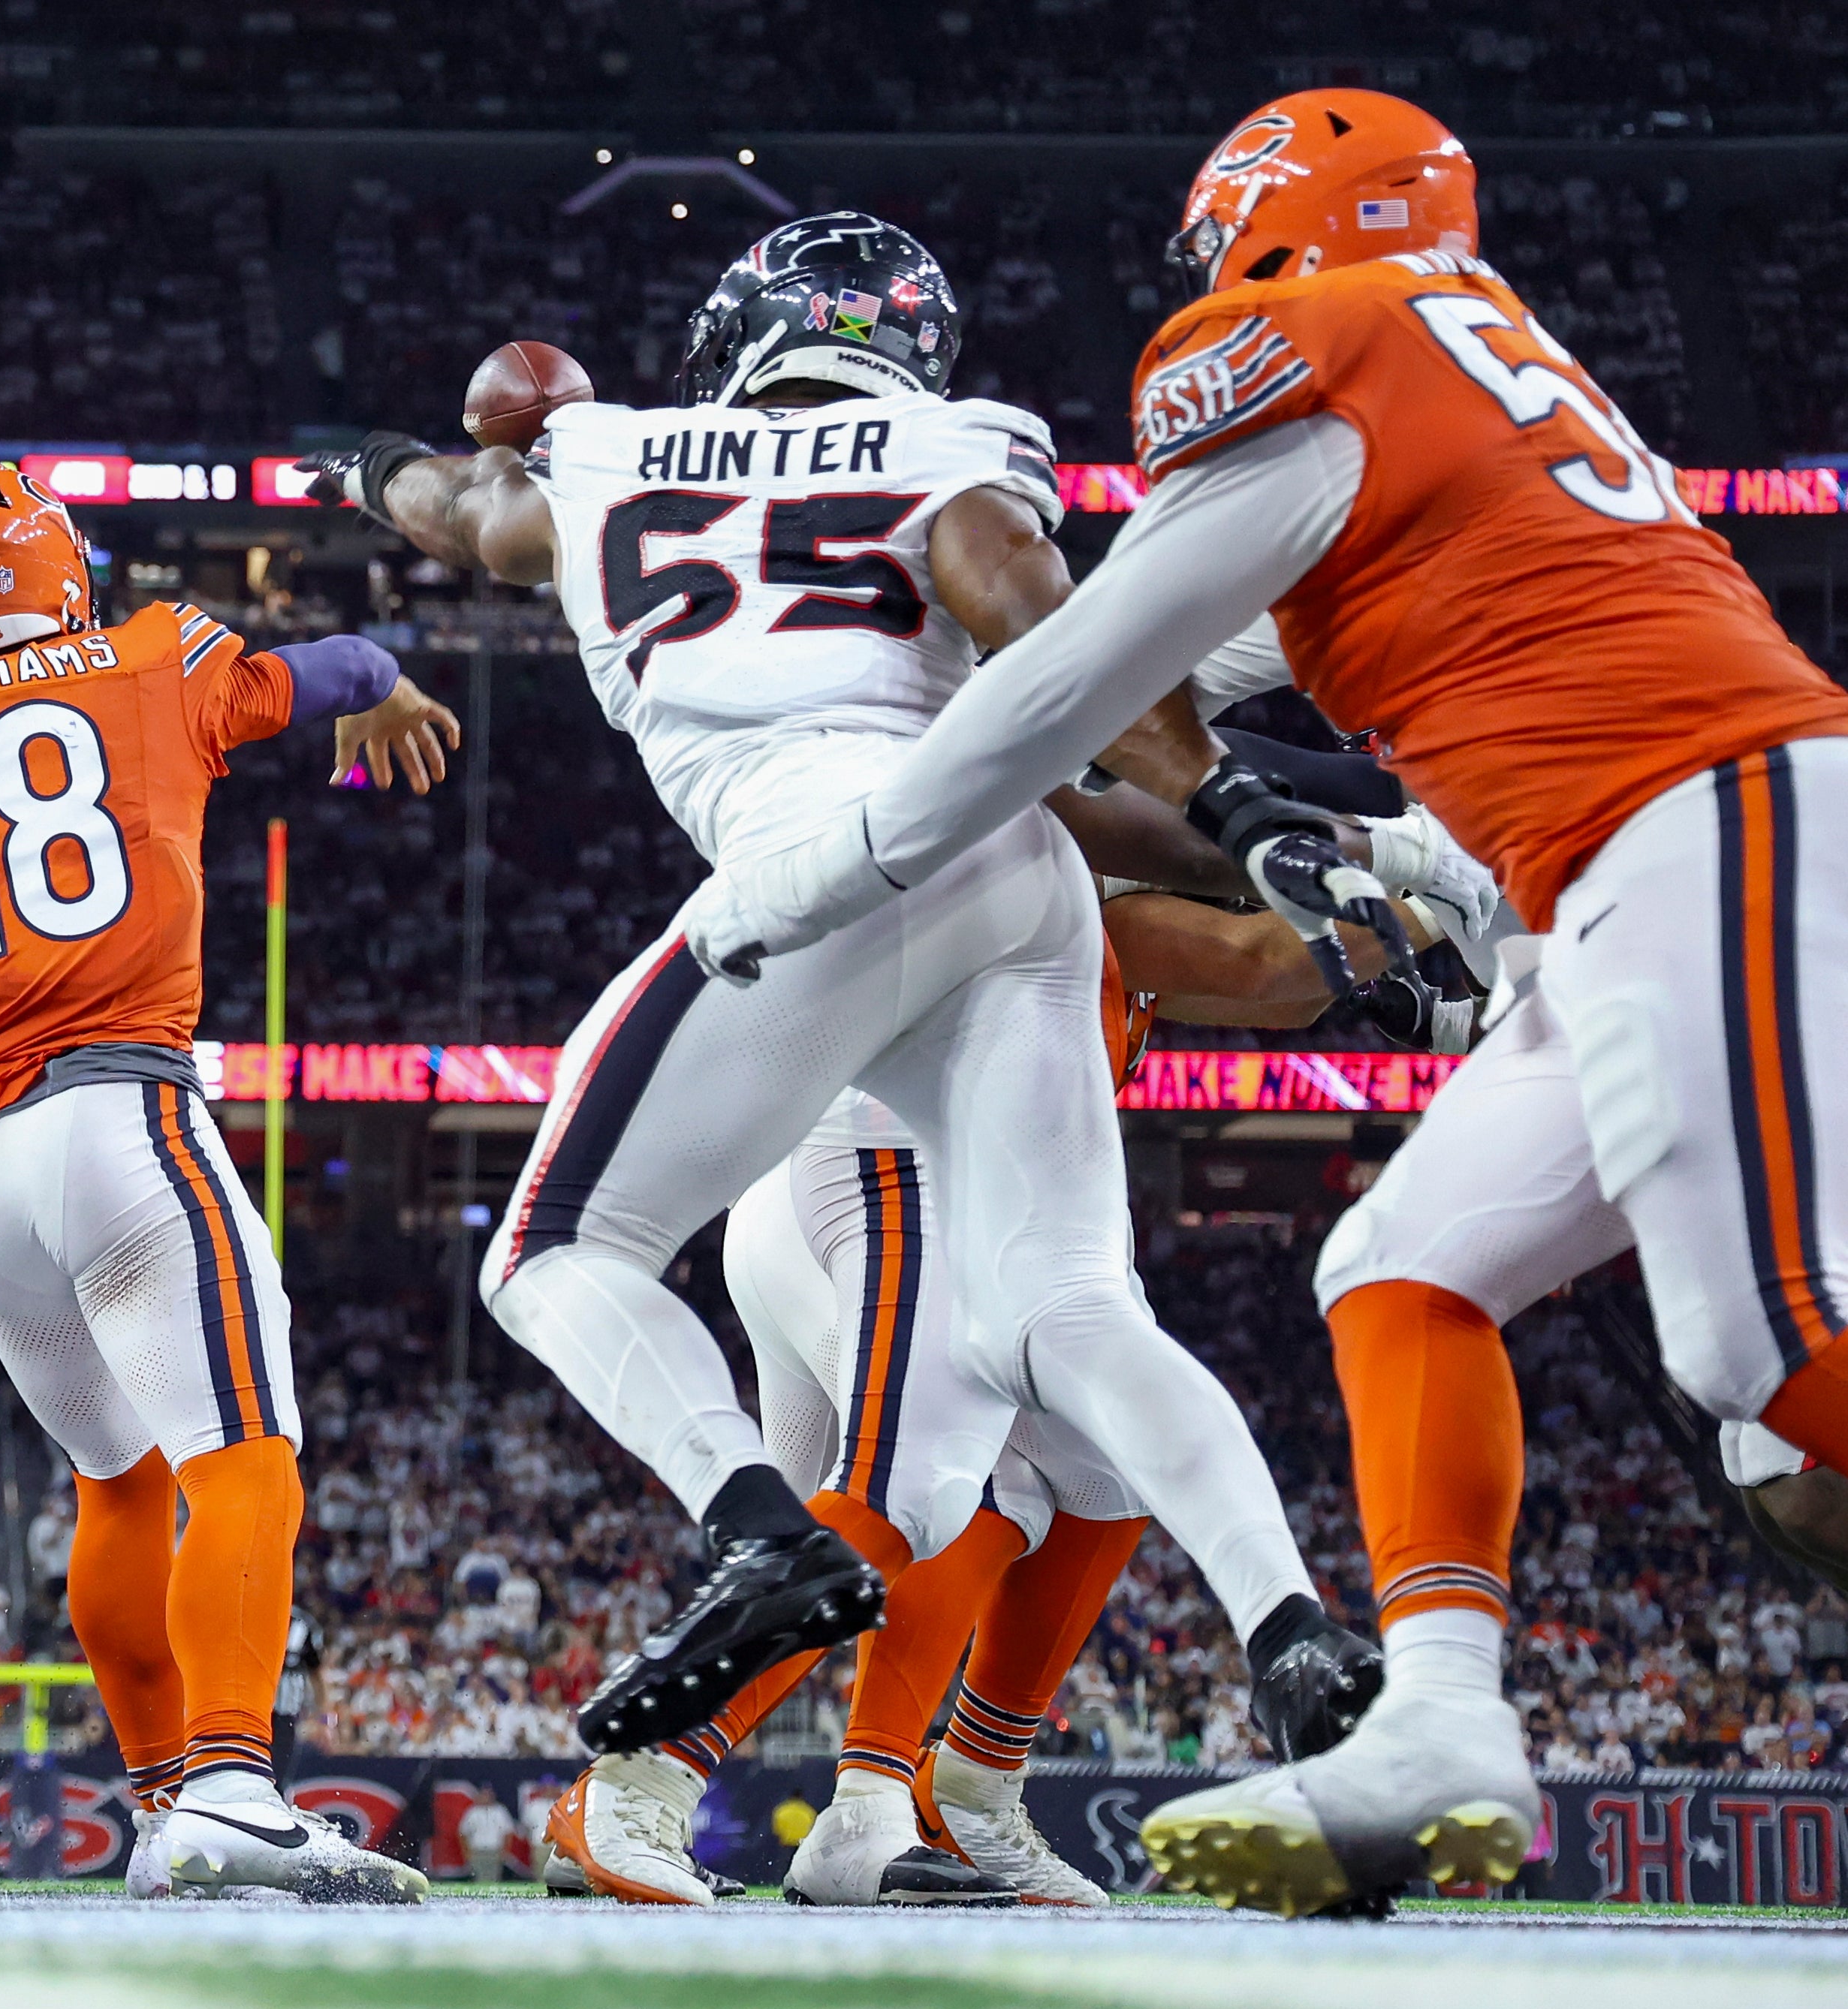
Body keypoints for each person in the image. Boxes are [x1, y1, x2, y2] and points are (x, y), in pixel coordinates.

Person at [705, 90, 1848, 1916]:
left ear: (1270, 221)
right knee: (1401, 1266)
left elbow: (1078, 670)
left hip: (1694, 821)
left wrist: (838, 850)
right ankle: (1442, 1728)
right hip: (1626, 849)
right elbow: (1164, 687)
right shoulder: (1442, 378)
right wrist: (1324, 837)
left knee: (1763, 1368)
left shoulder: (1310, 353)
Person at [307, 213, 1375, 1776]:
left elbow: (457, 510)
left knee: (548, 1252)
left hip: (814, 864)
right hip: (1012, 867)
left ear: (733, 338)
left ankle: (757, 1533)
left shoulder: (607, 452)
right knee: (1070, 1305)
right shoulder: (950, 437)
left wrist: (365, 458)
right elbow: (1034, 623)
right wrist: (1234, 811)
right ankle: (1287, 1624)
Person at [542, 821, 1465, 1908]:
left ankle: (956, 1793)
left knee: (1095, 1473)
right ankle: (644, 1778)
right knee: (927, 1486)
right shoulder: (1064, 852)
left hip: (941, 1194)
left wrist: (1411, 906)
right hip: (888, 1170)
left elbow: (1288, 987)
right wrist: (1448, 875)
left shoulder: (1105, 894)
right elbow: (1264, 956)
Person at [0, 459, 457, 1902]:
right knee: (244, 1460)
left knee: (116, 1479)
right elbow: (339, 662)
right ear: (59, 571)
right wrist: (387, 685)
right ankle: (227, 1784)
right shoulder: (154, 656)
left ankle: (168, 1806)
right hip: (118, 1114)